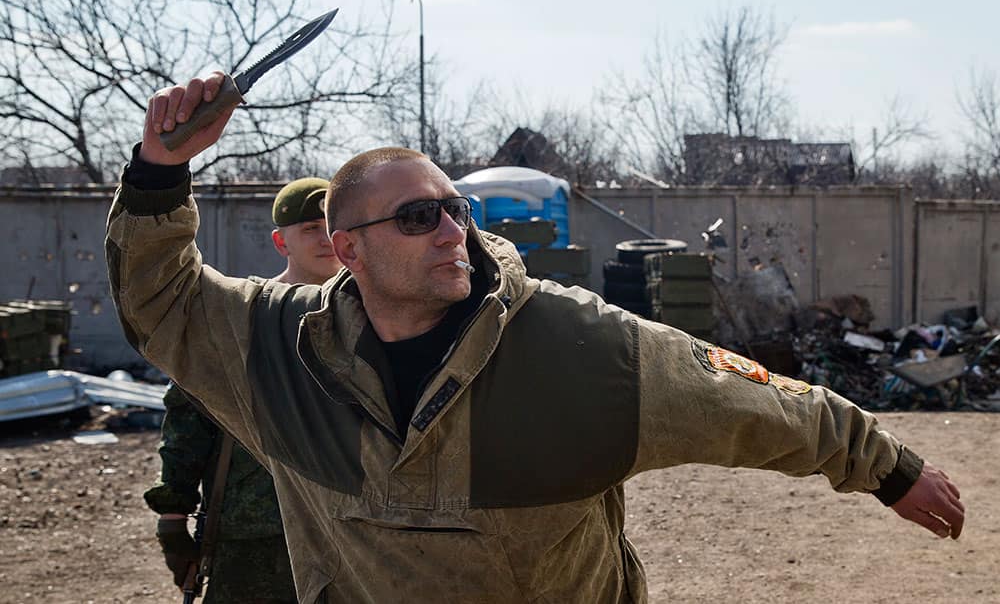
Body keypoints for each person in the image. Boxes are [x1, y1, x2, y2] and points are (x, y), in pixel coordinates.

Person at [107, 72, 964, 603]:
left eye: (455, 209)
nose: (451, 231)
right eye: (416, 217)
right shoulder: (278, 349)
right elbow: (162, 301)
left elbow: (750, 401)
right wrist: (157, 169)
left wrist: (886, 468)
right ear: (346, 250)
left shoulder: (576, 346)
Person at [143, 177, 342, 603]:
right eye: (310, 228)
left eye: (332, 225)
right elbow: (188, 417)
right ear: (280, 241)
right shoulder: (242, 315)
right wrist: (173, 519)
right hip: (258, 535)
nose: (325, 238)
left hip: (355, 531)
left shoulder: (381, 316)